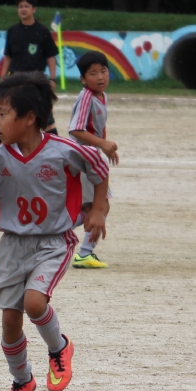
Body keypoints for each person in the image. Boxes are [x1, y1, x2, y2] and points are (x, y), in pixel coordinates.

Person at [0, 73, 109, 391]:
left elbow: (98, 166)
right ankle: (22, 381)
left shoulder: (63, 151)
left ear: (29, 118)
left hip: (53, 242)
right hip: (13, 246)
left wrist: (98, 209)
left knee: (34, 302)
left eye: (2, 114)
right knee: (9, 322)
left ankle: (59, 348)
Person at [67, 50, 119, 269]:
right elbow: (76, 130)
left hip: (91, 157)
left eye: (103, 71)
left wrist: (104, 148)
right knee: (99, 206)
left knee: (98, 206)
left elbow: (95, 129)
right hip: (82, 158)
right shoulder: (87, 97)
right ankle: (79, 250)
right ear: (83, 79)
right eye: (93, 73)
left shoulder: (102, 97)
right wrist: (102, 144)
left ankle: (56, 235)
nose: (100, 77)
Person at [0, 0, 60, 143]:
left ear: (34, 9)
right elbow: (8, 56)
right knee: (9, 117)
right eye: (20, 6)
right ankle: (3, 149)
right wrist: (3, 78)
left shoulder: (42, 31)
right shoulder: (13, 31)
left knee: (46, 119)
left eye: (27, 6)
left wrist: (52, 79)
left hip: (35, 82)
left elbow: (51, 57)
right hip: (15, 82)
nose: (23, 9)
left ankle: (56, 148)